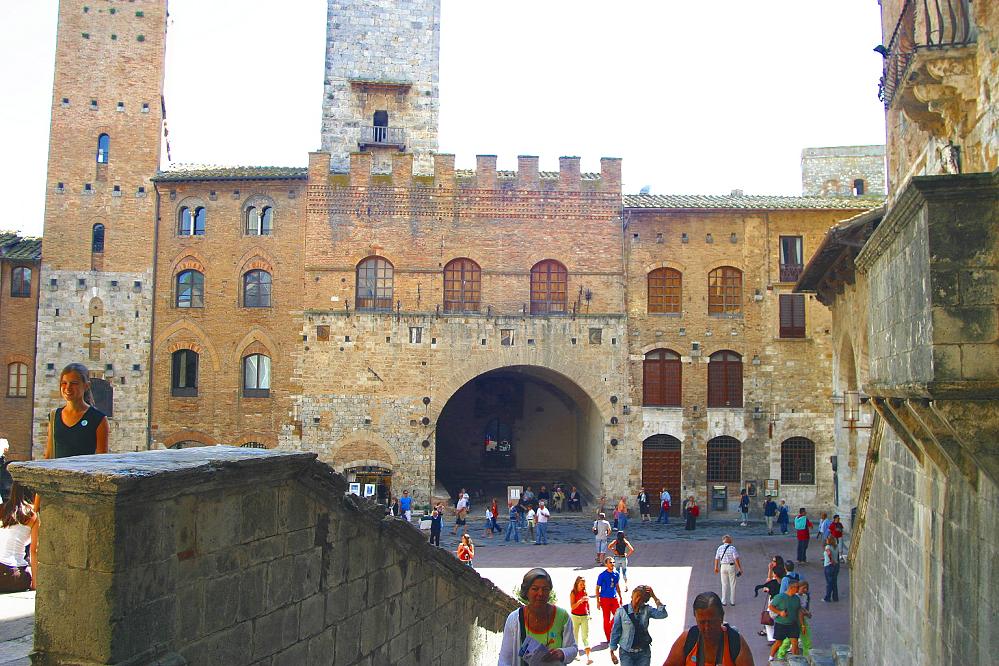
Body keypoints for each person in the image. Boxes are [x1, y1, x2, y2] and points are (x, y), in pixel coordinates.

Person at [498, 568, 577, 665]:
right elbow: (505, 659)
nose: (540, 593)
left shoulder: (562, 616)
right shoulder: (515, 619)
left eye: (545, 589)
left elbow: (573, 648)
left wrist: (562, 653)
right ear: (526, 592)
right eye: (535, 589)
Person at [663, 591, 754, 666]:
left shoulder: (735, 642)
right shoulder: (687, 639)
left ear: (721, 617)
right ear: (696, 618)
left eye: (712, 622)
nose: (707, 628)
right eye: (702, 622)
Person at [46, 363, 109, 459]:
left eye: (74, 383)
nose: (68, 388)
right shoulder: (54, 416)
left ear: (86, 386)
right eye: (64, 383)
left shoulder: (98, 419)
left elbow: (101, 459)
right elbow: (49, 455)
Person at [608, 584, 668, 666]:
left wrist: (654, 597)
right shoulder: (621, 611)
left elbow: (663, 614)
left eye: (641, 598)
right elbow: (615, 631)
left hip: (643, 653)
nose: (637, 600)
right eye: (636, 596)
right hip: (626, 653)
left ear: (644, 601)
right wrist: (612, 651)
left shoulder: (647, 610)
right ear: (632, 596)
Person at [0, 482, 37, 593]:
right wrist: (34, 583)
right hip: (13, 576)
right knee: (26, 574)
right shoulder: (32, 514)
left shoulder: (3, 509)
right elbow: (34, 550)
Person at [769, 580, 805, 660]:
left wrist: (802, 625)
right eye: (797, 587)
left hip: (793, 624)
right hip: (781, 624)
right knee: (779, 642)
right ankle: (771, 657)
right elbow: (771, 607)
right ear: (791, 588)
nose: (798, 589)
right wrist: (780, 612)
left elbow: (799, 611)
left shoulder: (796, 599)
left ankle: (796, 661)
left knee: (795, 643)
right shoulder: (780, 597)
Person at [595, 556, 624, 642]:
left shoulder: (616, 574)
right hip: (605, 599)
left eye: (613, 562)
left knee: (618, 616)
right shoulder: (602, 575)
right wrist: (598, 601)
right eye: (610, 562)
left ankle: (614, 632)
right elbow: (597, 588)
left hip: (614, 598)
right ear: (606, 564)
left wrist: (620, 596)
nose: (612, 564)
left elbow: (617, 586)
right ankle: (609, 638)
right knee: (606, 618)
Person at [569, 576, 594, 665]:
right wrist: (580, 601)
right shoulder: (573, 593)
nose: (583, 585)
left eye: (584, 584)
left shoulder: (585, 592)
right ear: (577, 584)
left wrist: (589, 614)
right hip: (575, 616)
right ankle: (576, 654)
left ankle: (589, 657)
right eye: (581, 584)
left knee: (585, 637)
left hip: (584, 616)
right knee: (575, 636)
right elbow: (572, 607)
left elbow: (587, 605)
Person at [713, 535, 744, 606]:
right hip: (731, 566)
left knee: (724, 584)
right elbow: (736, 559)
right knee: (732, 584)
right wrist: (739, 568)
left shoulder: (719, 548)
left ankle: (723, 601)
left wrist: (716, 567)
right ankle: (732, 601)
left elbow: (716, 558)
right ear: (729, 540)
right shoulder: (733, 548)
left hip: (723, 567)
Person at [822, 535, 841, 602]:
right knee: (834, 582)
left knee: (829, 583)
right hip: (836, 566)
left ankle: (827, 597)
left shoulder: (828, 546)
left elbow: (829, 553)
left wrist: (831, 560)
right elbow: (837, 556)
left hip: (829, 566)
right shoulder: (837, 547)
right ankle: (835, 597)